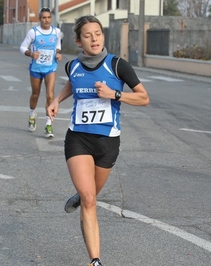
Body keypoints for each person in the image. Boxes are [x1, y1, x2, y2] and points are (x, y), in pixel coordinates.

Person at [47, 15, 149, 266]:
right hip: (78, 139)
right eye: (87, 35)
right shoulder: (72, 66)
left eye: (98, 33)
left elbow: (144, 98)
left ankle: (80, 197)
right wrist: (56, 100)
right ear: (79, 41)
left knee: (89, 195)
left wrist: (115, 94)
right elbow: (73, 84)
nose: (94, 39)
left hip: (107, 143)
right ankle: (95, 261)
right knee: (90, 200)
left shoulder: (117, 65)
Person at [19, 7, 62, 138]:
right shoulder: (33, 32)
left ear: (51, 18)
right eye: (44, 18)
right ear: (39, 19)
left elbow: (57, 46)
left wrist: (58, 54)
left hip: (50, 68)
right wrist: (31, 54)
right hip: (36, 69)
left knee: (50, 95)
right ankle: (32, 114)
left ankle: (48, 124)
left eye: (49, 17)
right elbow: (22, 47)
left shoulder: (56, 31)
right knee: (35, 94)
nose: (47, 20)